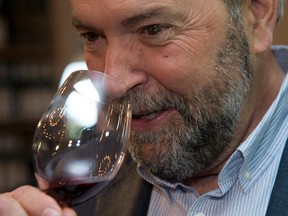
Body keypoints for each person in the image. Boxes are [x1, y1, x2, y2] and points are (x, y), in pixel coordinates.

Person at [0, 0, 287, 215]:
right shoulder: (85, 188)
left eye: (153, 30)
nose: (114, 82)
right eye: (91, 36)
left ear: (258, 15)